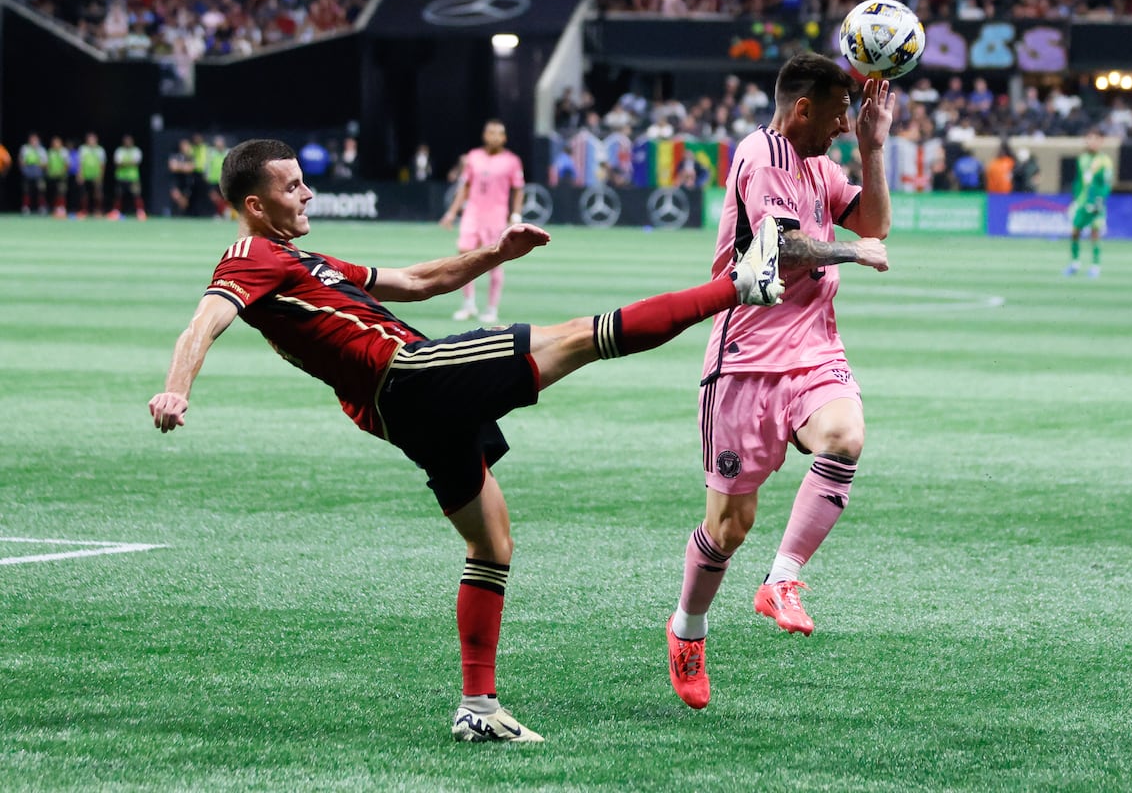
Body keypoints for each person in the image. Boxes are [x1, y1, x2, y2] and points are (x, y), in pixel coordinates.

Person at [147, 138, 784, 743]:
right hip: (410, 376)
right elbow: (204, 320)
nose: (308, 193)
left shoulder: (302, 260)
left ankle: (478, 709)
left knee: (491, 542)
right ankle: (742, 284)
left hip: (402, 410)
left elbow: (420, 281)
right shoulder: (248, 256)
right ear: (255, 205)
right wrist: (178, 388)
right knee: (582, 337)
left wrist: (494, 255)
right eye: (293, 186)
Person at [666, 53, 892, 711]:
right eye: (840, 113)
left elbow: (873, 222)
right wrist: (850, 251)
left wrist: (875, 150)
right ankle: (688, 629)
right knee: (730, 526)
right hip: (743, 360)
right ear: (803, 108)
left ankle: (782, 580)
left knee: (845, 435)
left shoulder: (822, 165)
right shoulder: (760, 154)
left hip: (814, 349)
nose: (845, 126)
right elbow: (781, 245)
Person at [439, 119, 526, 324]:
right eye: (490, 132)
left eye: (498, 133)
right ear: (484, 135)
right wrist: (452, 212)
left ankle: (492, 309)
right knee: (464, 256)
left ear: (504, 138)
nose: (494, 136)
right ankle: (468, 304)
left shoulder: (512, 161)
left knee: (495, 260)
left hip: (496, 215)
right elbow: (465, 187)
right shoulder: (473, 157)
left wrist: (516, 214)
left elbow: (519, 190)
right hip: (472, 213)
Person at [1064, 128, 1114, 279]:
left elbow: (1106, 184)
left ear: (1101, 141)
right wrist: (1074, 200)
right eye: (1089, 138)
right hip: (1081, 203)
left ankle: (1095, 265)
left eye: (1094, 139)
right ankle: (1074, 263)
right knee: (1074, 232)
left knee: (1095, 233)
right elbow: (1079, 182)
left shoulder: (1105, 161)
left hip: (1096, 204)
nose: (1091, 142)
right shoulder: (1082, 159)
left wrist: (1100, 200)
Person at [109, 134, 146, 220]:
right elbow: (117, 163)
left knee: (137, 195)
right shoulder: (119, 150)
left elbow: (136, 162)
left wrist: (124, 163)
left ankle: (140, 212)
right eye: (126, 141)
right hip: (121, 177)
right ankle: (116, 212)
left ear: (132, 142)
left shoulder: (136, 150)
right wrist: (129, 163)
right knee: (118, 195)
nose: (127, 142)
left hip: (133, 178)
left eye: (129, 141)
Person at [77, 132, 108, 218]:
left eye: (93, 139)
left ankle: (98, 211)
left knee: (98, 194)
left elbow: (102, 165)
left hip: (96, 175)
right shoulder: (82, 149)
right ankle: (84, 211)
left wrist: (100, 176)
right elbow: (80, 163)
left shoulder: (100, 150)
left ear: (96, 140)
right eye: (90, 139)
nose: (91, 141)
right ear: (87, 140)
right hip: (85, 175)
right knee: (84, 194)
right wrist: (80, 174)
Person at [18, 132, 48, 216]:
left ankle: (42, 207)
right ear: (29, 140)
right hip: (27, 173)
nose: (33, 141)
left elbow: (45, 163)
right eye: (32, 139)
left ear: (38, 140)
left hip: (38, 174)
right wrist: (25, 168)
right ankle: (25, 207)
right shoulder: (25, 148)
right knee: (26, 191)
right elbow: (21, 160)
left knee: (41, 191)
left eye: (35, 140)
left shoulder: (41, 150)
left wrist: (38, 167)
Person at [168, 138, 197, 215]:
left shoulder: (190, 157)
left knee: (185, 203)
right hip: (176, 181)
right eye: (184, 145)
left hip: (186, 182)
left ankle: (181, 215)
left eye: (187, 145)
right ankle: (175, 214)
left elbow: (191, 168)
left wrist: (179, 166)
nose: (185, 147)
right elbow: (172, 167)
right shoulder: (175, 155)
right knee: (176, 196)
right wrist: (184, 167)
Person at [45, 136, 72, 218]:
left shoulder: (64, 152)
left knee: (61, 192)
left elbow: (67, 165)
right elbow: (47, 164)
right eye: (54, 143)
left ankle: (62, 208)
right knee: (53, 193)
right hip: (52, 176)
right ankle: (55, 209)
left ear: (61, 143)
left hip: (62, 177)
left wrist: (61, 172)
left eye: (57, 142)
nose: (56, 144)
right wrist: (49, 171)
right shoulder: (50, 152)